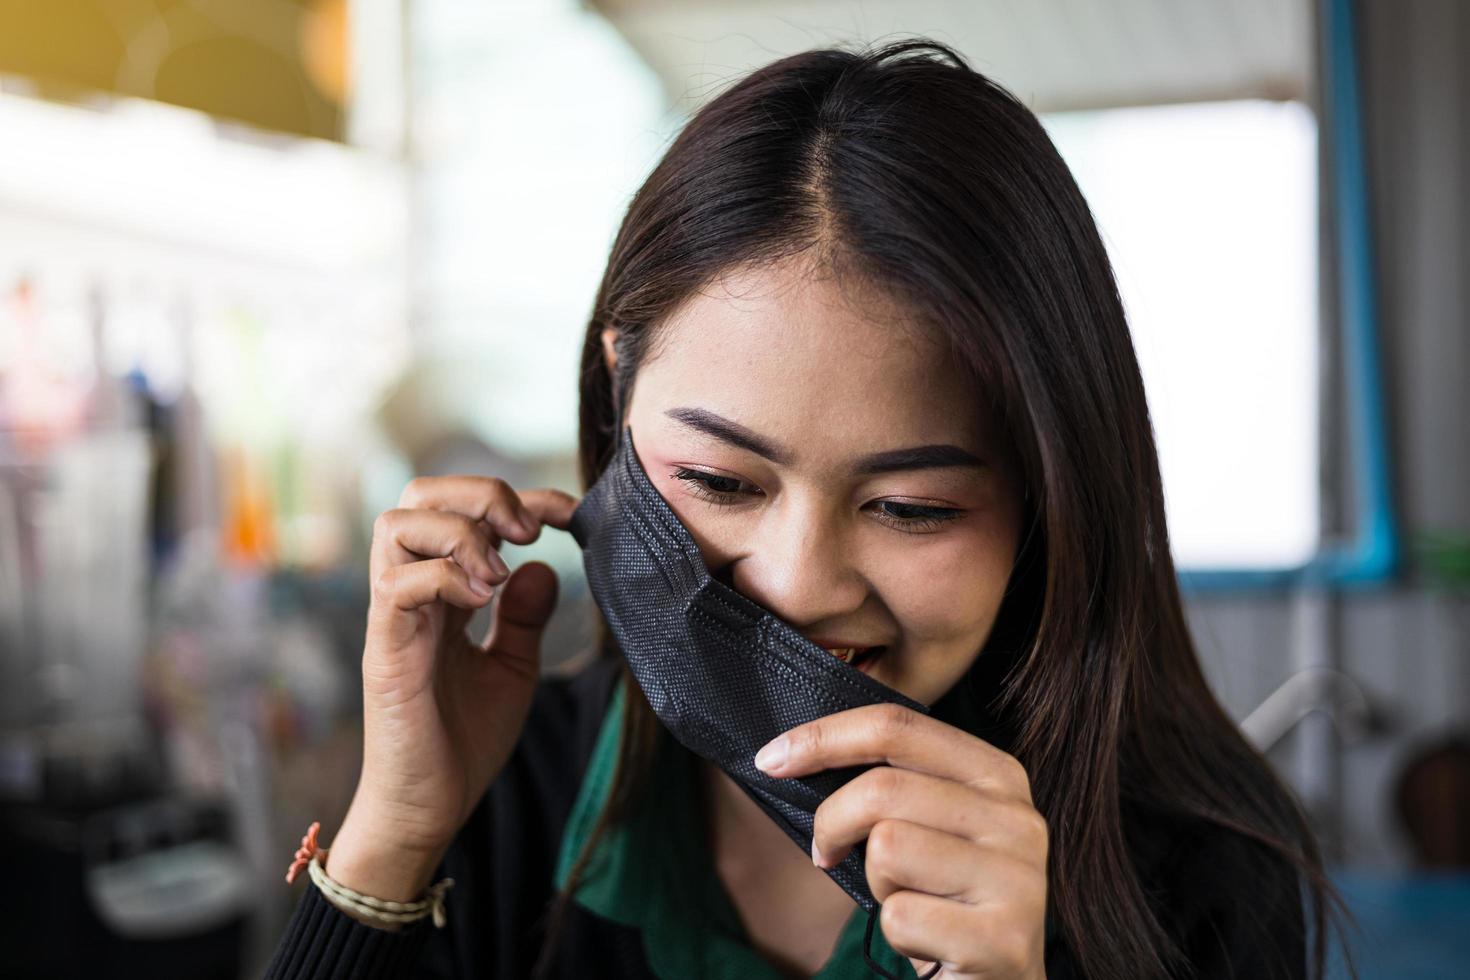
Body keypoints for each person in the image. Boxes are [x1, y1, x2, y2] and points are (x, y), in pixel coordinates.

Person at [263, 39, 1353, 980]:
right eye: (722, 482)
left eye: (912, 506)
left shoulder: (1206, 869)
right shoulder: (497, 786)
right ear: (616, 402)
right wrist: (394, 833)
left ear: (1052, 496)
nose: (795, 582)